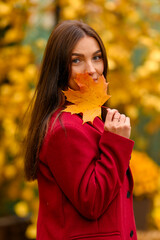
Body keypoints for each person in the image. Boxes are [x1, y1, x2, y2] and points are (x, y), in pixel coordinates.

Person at [24, 20, 137, 240]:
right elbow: (92, 202)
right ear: (59, 68)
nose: (92, 70)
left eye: (97, 57)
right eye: (77, 60)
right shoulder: (64, 130)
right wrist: (116, 143)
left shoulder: (91, 118)